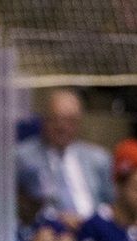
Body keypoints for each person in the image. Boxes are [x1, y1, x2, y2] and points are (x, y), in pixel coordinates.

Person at [15, 89, 114, 222]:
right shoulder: (22, 157)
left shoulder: (98, 158)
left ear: (79, 123)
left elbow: (111, 203)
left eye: (70, 121)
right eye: (56, 119)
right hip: (50, 228)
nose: (62, 127)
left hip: (94, 228)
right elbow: (18, 206)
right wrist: (56, 219)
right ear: (44, 120)